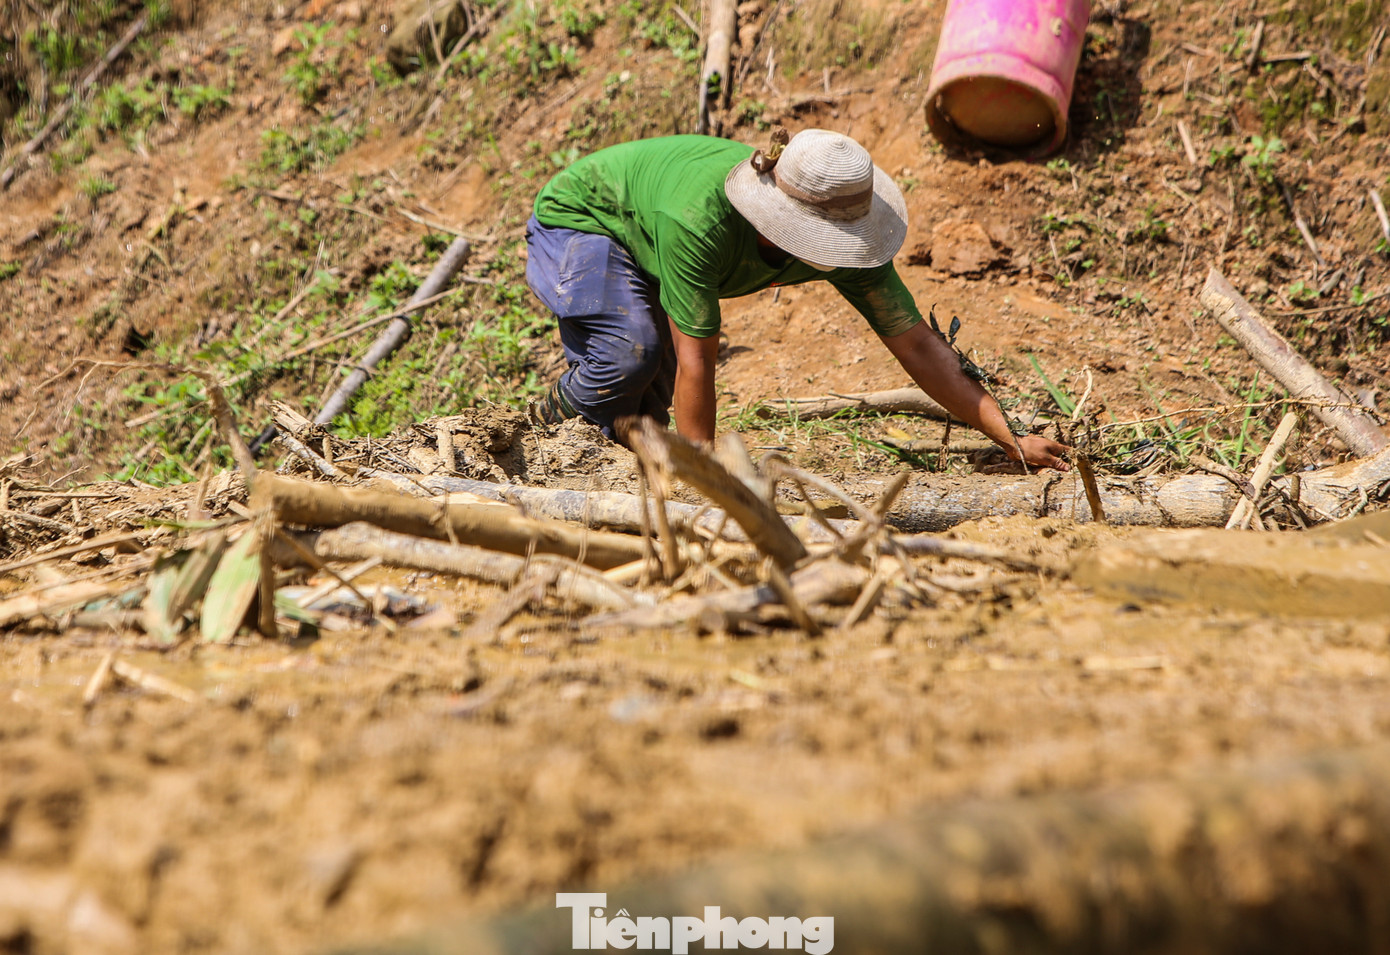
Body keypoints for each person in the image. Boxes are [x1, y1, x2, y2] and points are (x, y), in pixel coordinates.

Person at [524, 127, 1070, 471]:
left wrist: (1012, 438)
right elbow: (698, 361)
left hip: (649, 234)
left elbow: (919, 345)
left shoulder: (845, 236)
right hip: (585, 222)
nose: (833, 253)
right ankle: (532, 432)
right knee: (627, 356)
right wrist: (708, 486)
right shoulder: (701, 222)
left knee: (639, 421)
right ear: (781, 220)